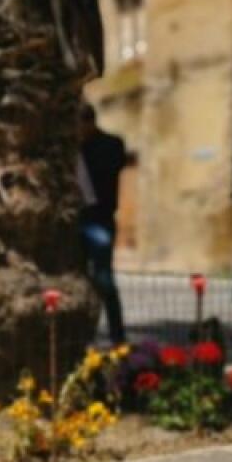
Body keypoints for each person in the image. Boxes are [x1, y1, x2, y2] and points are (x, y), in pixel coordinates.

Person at [78, 102, 133, 347]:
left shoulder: (110, 145)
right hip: (75, 219)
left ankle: (117, 335)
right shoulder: (68, 149)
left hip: (98, 218)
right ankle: (82, 336)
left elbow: (115, 166)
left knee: (104, 278)